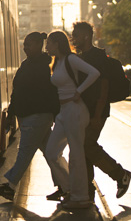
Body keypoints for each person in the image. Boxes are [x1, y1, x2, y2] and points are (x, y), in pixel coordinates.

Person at [0, 31, 59, 201]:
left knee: (25, 152)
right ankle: (66, 186)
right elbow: (17, 91)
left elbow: (47, 93)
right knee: (51, 153)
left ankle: (11, 186)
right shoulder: (28, 64)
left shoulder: (43, 66)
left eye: (29, 44)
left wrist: (54, 114)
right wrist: (12, 112)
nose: (25, 47)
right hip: (33, 116)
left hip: (36, 116)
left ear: (38, 45)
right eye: (25, 44)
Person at [71, 22, 131, 198]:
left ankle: (120, 175)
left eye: (76, 35)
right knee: (83, 149)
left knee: (87, 145)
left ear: (86, 36)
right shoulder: (81, 57)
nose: (73, 38)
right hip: (84, 111)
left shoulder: (98, 57)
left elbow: (104, 87)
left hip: (97, 110)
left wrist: (98, 115)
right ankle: (88, 190)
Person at [41, 30, 100, 210]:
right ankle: (69, 189)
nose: (47, 47)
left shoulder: (70, 59)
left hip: (75, 110)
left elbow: (94, 73)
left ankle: (81, 197)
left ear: (57, 43)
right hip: (63, 112)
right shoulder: (57, 62)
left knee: (76, 154)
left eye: (49, 43)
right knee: (51, 152)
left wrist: (79, 91)